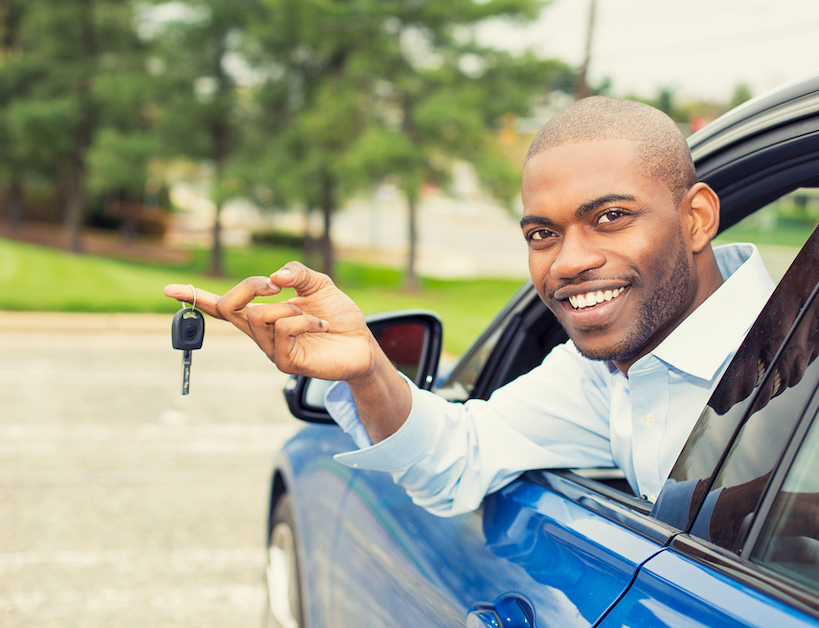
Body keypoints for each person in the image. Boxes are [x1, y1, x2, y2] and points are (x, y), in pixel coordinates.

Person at [164, 96, 774, 516]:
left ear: (695, 219)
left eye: (610, 217)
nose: (566, 263)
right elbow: (462, 456)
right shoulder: (605, 373)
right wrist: (369, 369)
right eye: (542, 234)